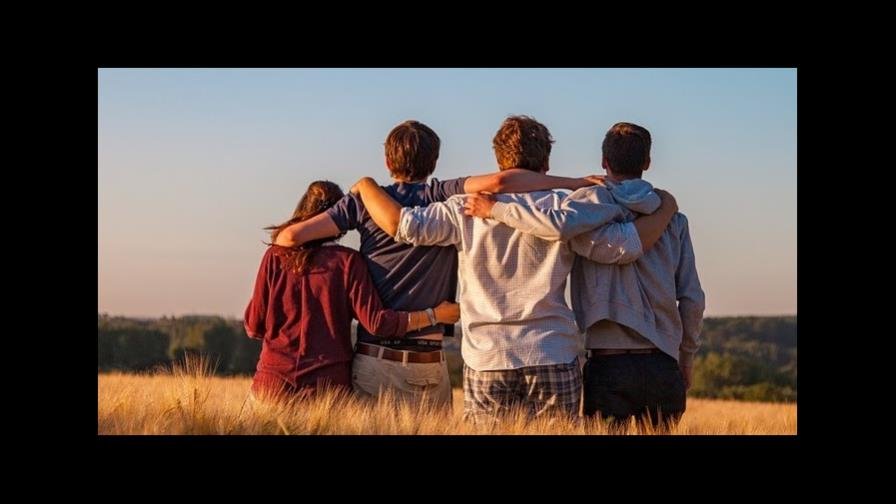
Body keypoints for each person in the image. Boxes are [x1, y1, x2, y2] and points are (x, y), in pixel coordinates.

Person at [350, 116, 678, 423]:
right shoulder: (566, 206)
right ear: (546, 163)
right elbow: (621, 247)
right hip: (552, 351)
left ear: (499, 160)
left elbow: (403, 226)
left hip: (487, 356)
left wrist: (366, 185)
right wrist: (665, 209)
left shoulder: (462, 208)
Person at [271, 120, 605, 408]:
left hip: (377, 357)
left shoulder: (365, 202)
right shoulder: (442, 194)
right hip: (435, 360)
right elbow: (502, 183)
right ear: (434, 161)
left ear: (388, 160)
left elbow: (288, 239)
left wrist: (356, 207)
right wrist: (573, 183)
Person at [464, 122, 705, 431]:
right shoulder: (673, 219)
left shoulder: (584, 210)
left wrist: (497, 209)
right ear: (647, 163)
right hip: (663, 363)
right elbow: (692, 299)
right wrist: (686, 357)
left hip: (607, 364)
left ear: (604, 162)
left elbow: (555, 226)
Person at [243, 180, 460, 403]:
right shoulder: (348, 262)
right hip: (327, 391)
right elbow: (377, 323)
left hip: (271, 385)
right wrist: (434, 315)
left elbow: (254, 326)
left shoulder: (275, 256)